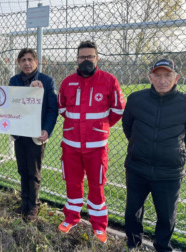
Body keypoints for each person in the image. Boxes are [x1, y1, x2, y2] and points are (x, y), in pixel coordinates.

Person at [122, 59, 186, 252]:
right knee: (132, 212)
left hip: (169, 172)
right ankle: (133, 245)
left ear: (176, 78)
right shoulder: (136, 99)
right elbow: (128, 127)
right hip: (137, 167)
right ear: (150, 77)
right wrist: (140, 147)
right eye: (158, 75)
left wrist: (175, 151)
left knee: (166, 216)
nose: (162, 80)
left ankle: (162, 247)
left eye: (167, 75)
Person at [57, 41, 125, 243]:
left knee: (97, 185)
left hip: (96, 147)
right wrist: (75, 127)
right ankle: (71, 217)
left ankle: (98, 224)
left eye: (90, 57)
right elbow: (62, 108)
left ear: (97, 59)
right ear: (77, 59)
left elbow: (118, 110)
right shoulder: (67, 82)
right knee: (72, 183)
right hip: (70, 145)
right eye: (82, 57)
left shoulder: (109, 80)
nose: (85, 60)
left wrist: (99, 127)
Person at [9, 48, 58, 222]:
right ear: (19, 62)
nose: (27, 63)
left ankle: (33, 206)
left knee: (34, 172)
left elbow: (52, 108)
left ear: (37, 62)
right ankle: (24, 202)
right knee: (22, 169)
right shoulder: (14, 80)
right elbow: (11, 105)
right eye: (23, 60)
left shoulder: (47, 81)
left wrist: (47, 128)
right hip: (20, 133)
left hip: (36, 134)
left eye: (30, 59)